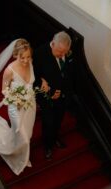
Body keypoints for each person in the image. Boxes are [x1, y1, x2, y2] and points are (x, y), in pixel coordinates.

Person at [0, 39, 47, 175]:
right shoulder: (9, 71)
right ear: (15, 55)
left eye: (28, 56)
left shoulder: (30, 64)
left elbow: (32, 82)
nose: (26, 60)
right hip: (16, 107)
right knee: (22, 134)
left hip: (30, 105)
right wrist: (16, 99)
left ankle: (20, 151)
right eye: (22, 57)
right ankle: (21, 160)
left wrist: (43, 82)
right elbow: (4, 90)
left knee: (28, 134)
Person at [33, 31, 75, 160]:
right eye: (59, 52)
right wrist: (50, 92)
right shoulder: (40, 53)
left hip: (63, 94)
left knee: (59, 118)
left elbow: (69, 74)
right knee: (48, 121)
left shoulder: (66, 53)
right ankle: (48, 146)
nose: (61, 55)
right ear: (53, 43)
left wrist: (62, 92)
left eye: (64, 52)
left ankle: (55, 137)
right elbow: (34, 76)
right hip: (46, 95)